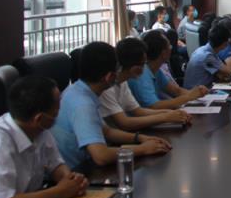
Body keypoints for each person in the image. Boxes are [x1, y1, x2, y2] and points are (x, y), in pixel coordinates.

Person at [51, 42, 172, 170]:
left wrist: (140, 138)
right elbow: (101, 156)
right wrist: (143, 149)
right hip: (77, 171)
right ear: (109, 77)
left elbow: (107, 131)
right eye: (118, 69)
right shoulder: (83, 104)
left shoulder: (78, 90)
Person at [99, 38, 191, 131]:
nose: (145, 68)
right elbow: (124, 123)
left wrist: (171, 113)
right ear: (135, 69)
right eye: (144, 64)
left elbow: (138, 111)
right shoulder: (106, 87)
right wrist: (165, 117)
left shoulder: (123, 82)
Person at [129, 31, 208, 110]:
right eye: (169, 45)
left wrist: (198, 93)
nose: (171, 47)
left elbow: (176, 91)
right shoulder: (142, 74)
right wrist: (188, 97)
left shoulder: (156, 70)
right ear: (163, 53)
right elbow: (155, 106)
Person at [184, 24, 231, 88]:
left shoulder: (201, 49)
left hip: (195, 89)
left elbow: (221, 74)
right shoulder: (207, 56)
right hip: (195, 92)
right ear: (225, 43)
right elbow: (229, 72)